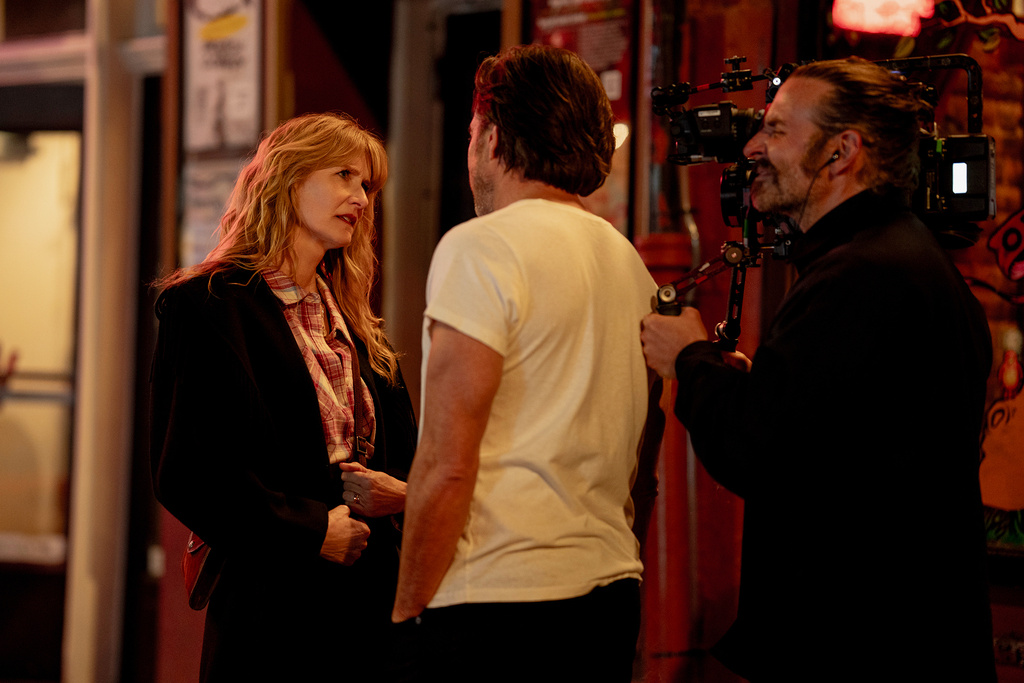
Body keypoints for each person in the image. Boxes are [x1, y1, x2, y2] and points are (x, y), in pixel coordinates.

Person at [641, 57, 997, 681]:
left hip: (859, 648)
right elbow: (832, 443)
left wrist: (690, 359)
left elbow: (759, 450)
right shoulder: (904, 259)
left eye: (777, 131)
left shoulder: (858, 276)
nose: (753, 147)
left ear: (842, 152)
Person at [389, 45, 662, 682]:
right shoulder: (630, 264)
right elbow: (647, 454)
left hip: (498, 600)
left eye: (469, 133)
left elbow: (447, 463)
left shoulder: (481, 247)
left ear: (491, 136)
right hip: (609, 592)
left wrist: (405, 619)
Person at [149, 112, 417, 681]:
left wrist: (402, 494)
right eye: (344, 175)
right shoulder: (209, 304)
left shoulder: (356, 320)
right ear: (287, 179)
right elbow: (187, 470)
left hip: (371, 606)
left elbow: (410, 453)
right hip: (270, 607)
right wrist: (312, 531)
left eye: (367, 185)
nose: (361, 198)